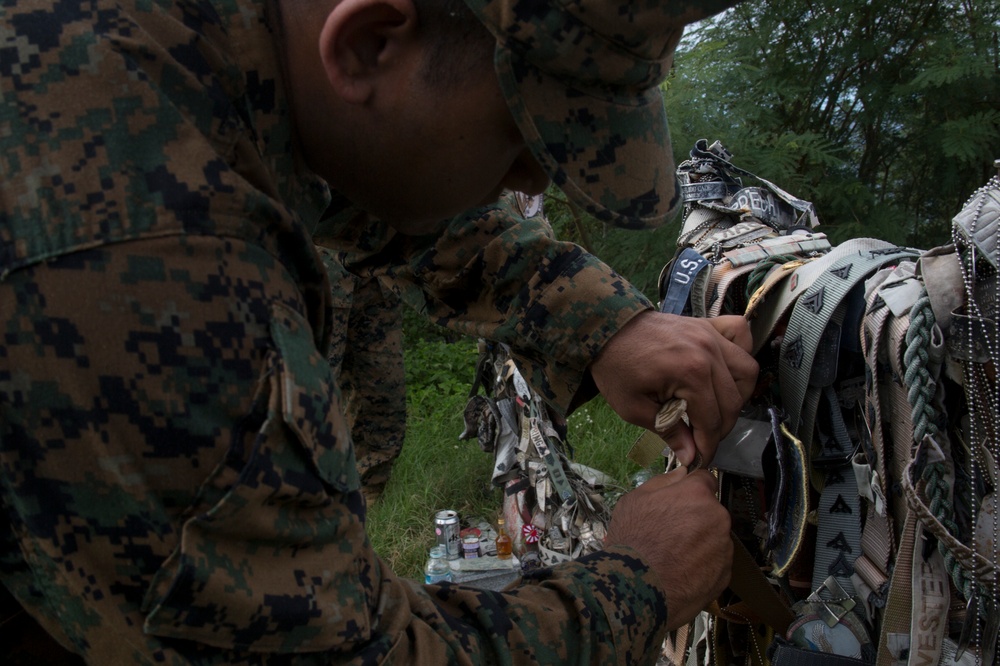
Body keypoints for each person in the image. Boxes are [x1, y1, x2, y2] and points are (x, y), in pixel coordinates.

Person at [0, 0, 756, 664]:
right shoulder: (140, 261)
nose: (534, 181)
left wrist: (605, 325)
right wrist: (638, 582)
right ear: (365, 43)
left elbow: (383, 192)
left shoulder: (203, 50)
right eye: (521, 134)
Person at [318, 249, 406, 506]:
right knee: (310, 399)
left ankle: (368, 493)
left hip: (375, 275)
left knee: (384, 391)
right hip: (317, 277)